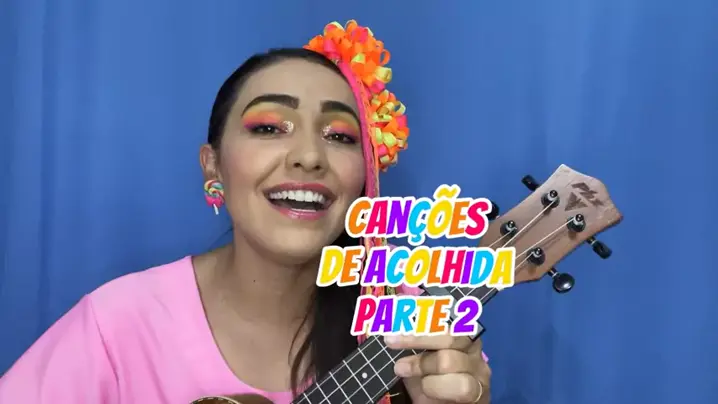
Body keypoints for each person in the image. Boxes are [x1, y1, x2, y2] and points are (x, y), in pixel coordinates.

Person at [0, 20, 491, 404]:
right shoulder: (118, 326)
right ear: (213, 166)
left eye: (340, 136)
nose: (309, 156)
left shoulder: (407, 316)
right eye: (270, 128)